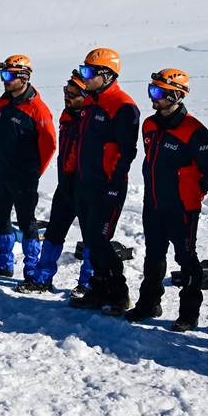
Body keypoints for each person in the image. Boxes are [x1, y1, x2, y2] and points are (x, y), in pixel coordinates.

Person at [123, 69, 208, 327]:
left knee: (186, 258)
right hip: (153, 205)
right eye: (150, 90)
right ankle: (149, 303)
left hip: (182, 208)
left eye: (158, 92)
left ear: (176, 95)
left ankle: (189, 313)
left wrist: (190, 193)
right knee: (153, 257)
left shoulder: (194, 130)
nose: (152, 97)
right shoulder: (150, 124)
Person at [68, 48, 141, 315]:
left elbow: (126, 151)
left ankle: (120, 295)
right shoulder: (90, 102)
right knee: (90, 241)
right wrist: (70, 173)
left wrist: (114, 184)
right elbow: (80, 142)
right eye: (83, 70)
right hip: (85, 184)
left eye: (88, 72)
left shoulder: (123, 106)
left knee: (100, 242)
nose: (84, 77)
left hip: (107, 187)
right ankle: (98, 291)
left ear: (107, 75)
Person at [0, 55, 57, 281]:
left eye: (9, 76)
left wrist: (34, 172)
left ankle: (31, 270)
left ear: (24, 78)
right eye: (3, 75)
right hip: (0, 174)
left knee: (27, 223)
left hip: (23, 178)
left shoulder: (38, 109)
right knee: (0, 219)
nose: (4, 80)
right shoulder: (3, 102)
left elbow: (50, 144)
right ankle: (3, 263)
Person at [20, 70, 95, 295]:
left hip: (86, 188)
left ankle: (88, 284)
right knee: (53, 233)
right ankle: (42, 279)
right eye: (66, 91)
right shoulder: (66, 115)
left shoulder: (93, 119)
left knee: (91, 238)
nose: (67, 96)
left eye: (72, 93)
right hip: (65, 187)